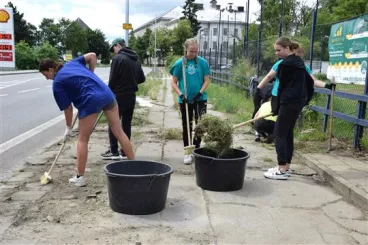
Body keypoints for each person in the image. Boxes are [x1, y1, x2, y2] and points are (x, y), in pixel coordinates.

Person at [39, 53, 135, 187]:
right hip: (106, 94)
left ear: (51, 70)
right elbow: (93, 56)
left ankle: (80, 177)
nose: (47, 78)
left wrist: (68, 128)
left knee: (82, 139)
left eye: (46, 75)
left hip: (90, 101)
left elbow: (68, 109)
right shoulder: (73, 63)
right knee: (119, 131)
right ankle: (135, 167)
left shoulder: (58, 82)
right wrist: (91, 74)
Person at [263, 37, 314, 180]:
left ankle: (281, 169)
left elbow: (281, 88)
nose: (277, 53)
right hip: (297, 102)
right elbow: (309, 82)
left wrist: (277, 107)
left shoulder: (285, 65)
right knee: (287, 133)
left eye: (279, 50)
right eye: (275, 51)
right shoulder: (299, 62)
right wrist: (306, 100)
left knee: (279, 133)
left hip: (288, 102)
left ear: (287, 48)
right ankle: (286, 166)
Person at [101, 38, 146, 160]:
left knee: (114, 123)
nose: (113, 52)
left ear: (117, 45)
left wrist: (107, 95)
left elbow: (112, 80)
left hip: (118, 96)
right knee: (127, 123)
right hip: (131, 96)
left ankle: (114, 151)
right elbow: (142, 78)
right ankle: (125, 151)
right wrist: (131, 80)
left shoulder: (117, 59)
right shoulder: (135, 58)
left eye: (113, 49)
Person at [170, 38, 211, 165]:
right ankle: (187, 152)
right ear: (186, 50)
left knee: (200, 125)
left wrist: (200, 93)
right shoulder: (179, 64)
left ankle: (196, 149)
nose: (194, 54)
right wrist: (181, 95)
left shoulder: (203, 63)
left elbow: (206, 80)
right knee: (187, 125)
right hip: (185, 99)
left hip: (200, 99)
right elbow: (173, 82)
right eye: (191, 51)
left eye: (196, 51)